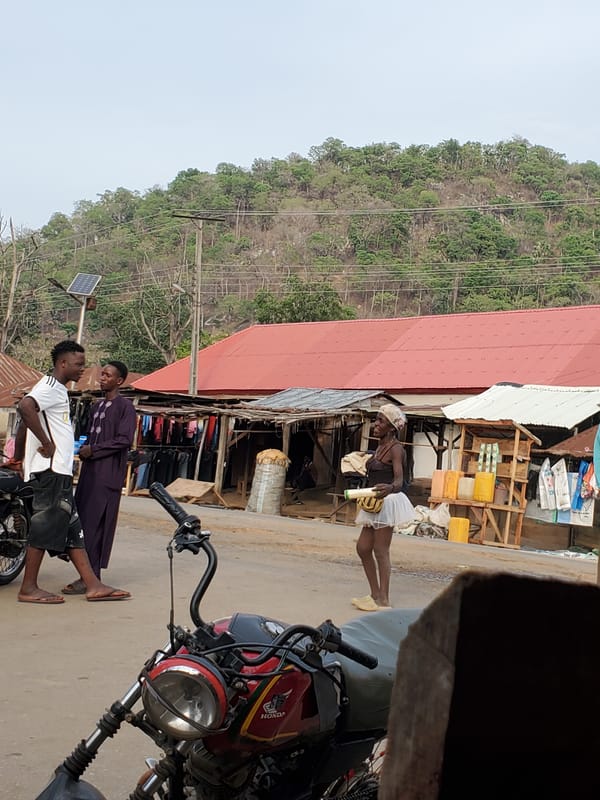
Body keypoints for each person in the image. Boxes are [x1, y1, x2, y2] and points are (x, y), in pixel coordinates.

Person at [15, 340, 131, 604]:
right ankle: (29, 588)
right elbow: (25, 408)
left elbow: (27, 417)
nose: (83, 369)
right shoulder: (49, 388)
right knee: (44, 527)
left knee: (74, 530)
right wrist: (46, 444)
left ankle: (92, 584)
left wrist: (20, 455)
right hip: (51, 471)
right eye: (79, 364)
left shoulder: (56, 390)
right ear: (63, 363)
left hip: (59, 472)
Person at [62, 361, 137, 595]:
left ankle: (92, 577)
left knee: (97, 525)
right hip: (89, 473)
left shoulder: (125, 407)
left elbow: (124, 439)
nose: (102, 378)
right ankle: (86, 575)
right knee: (83, 523)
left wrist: (94, 450)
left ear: (120, 380)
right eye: (102, 374)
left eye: (108, 375)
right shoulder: (96, 406)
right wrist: (85, 450)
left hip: (108, 475)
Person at [351, 403, 414, 612]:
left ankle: (384, 600)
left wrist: (389, 488)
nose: (375, 424)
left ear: (391, 427)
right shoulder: (379, 447)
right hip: (373, 500)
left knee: (381, 550)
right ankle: (374, 594)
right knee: (362, 548)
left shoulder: (396, 449)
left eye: (381, 421)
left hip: (387, 501)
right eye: (376, 420)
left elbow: (399, 480)